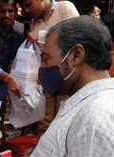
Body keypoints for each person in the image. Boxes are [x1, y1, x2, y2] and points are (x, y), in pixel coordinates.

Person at [0, 16, 114, 157]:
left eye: (46, 58)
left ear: (76, 55)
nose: (41, 70)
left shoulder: (93, 117)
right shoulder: (88, 105)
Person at [21, 0, 79, 137]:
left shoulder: (65, 8)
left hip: (67, 77)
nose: (26, 10)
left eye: (29, 5)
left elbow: (77, 36)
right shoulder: (35, 21)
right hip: (46, 78)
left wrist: (40, 35)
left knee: (64, 122)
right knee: (44, 123)